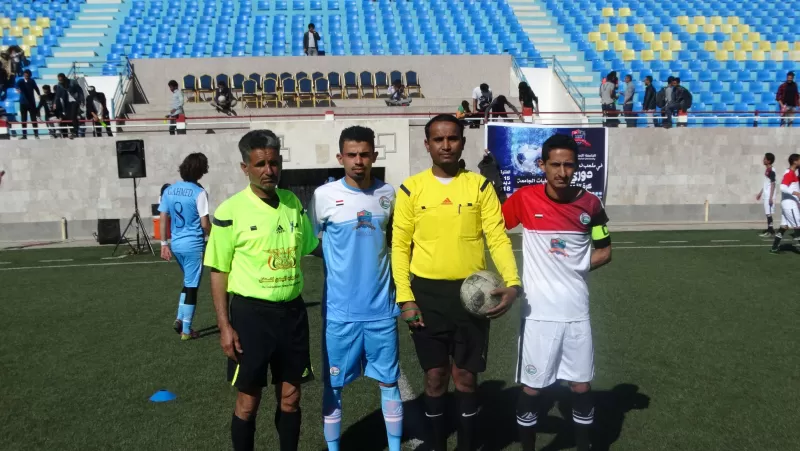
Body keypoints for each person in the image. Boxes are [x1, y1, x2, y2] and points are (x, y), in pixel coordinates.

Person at [392, 114, 522, 451]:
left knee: (465, 377)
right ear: (427, 145)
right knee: (434, 377)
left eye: (452, 139)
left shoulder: (479, 186)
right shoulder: (410, 189)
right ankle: (437, 445)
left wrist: (513, 283)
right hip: (427, 296)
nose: (446, 145)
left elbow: (497, 238)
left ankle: (467, 445)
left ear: (463, 143)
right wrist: (405, 297)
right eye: (438, 139)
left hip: (473, 297)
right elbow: (399, 245)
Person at [204, 130, 320, 451]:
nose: (269, 170)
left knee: (291, 398)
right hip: (251, 318)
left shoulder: (293, 203)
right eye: (260, 164)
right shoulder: (230, 212)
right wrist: (225, 327)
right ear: (245, 168)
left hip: (293, 314)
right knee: (248, 400)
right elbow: (218, 272)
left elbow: (312, 246)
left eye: (273, 162)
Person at [502, 134, 612, 451]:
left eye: (568, 165)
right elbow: (495, 230)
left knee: (581, 386)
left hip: (577, 313)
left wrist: (575, 266)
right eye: (555, 165)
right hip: (538, 315)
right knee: (532, 389)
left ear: (576, 166)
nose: (562, 172)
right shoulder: (524, 199)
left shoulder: (591, 204)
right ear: (542, 165)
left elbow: (605, 251)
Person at [308, 126, 403, 451]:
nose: (358, 160)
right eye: (352, 155)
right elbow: (313, 241)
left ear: (374, 156)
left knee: (389, 382)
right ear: (340, 157)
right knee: (334, 385)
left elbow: (395, 242)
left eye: (364, 154)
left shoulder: (389, 194)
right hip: (340, 313)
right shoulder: (324, 196)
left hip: (382, 311)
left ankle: (393, 447)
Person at [159, 153, 210, 340]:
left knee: (188, 282)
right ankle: (187, 330)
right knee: (192, 287)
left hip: (176, 244)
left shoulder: (169, 190)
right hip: (193, 245)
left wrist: (164, 243)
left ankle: (180, 319)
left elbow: (163, 217)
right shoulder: (199, 192)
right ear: (201, 170)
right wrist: (214, 236)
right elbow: (205, 224)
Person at [770, 154, 800, 254]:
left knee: (784, 227)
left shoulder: (793, 174)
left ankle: (774, 248)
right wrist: (796, 193)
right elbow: (783, 187)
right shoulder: (789, 173)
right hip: (790, 204)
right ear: (795, 161)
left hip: (788, 204)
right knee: (798, 225)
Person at [15, 69, 40, 139]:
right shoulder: (21, 81)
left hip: (31, 103)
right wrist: (17, 89)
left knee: (33, 119)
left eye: (28, 74)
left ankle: (36, 134)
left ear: (30, 75)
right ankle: (24, 135)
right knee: (23, 119)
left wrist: (39, 94)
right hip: (23, 103)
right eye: (25, 74)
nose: (26, 75)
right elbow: (16, 85)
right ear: (24, 75)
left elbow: (36, 88)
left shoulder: (32, 81)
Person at [756, 152, 777, 237]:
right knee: (767, 213)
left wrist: (771, 197)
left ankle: (770, 230)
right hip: (766, 195)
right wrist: (760, 193)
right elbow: (766, 183)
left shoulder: (772, 171)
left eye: (765, 159)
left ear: (769, 161)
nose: (763, 160)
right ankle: (770, 229)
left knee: (768, 213)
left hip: (769, 195)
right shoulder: (767, 170)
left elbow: (773, 184)